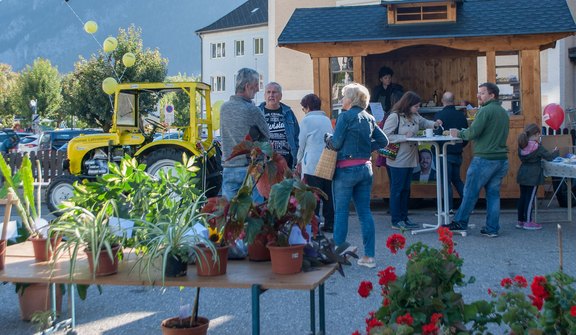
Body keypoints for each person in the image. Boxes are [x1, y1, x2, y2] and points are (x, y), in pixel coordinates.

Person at [325, 83, 388, 268]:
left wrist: (329, 139)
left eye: (344, 96)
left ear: (351, 99)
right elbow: (384, 141)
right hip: (365, 168)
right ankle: (369, 257)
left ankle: (338, 254)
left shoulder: (345, 117)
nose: (341, 99)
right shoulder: (369, 117)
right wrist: (369, 148)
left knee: (341, 213)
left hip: (345, 170)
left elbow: (336, 144)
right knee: (364, 213)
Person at [447, 82, 510, 237]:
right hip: (501, 159)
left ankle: (460, 223)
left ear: (492, 95)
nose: (478, 95)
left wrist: (458, 134)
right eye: (478, 92)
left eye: (482, 93)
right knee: (493, 195)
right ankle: (492, 229)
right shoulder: (503, 112)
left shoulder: (485, 111)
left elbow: (473, 133)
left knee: (470, 192)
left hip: (485, 158)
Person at [383, 91, 442, 230]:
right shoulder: (394, 116)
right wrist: (404, 137)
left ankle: (404, 217)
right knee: (397, 190)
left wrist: (435, 124)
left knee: (406, 189)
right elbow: (385, 136)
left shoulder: (415, 115)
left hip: (411, 158)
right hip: (398, 159)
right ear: (407, 105)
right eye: (416, 106)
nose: (418, 108)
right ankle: (396, 220)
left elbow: (424, 122)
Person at [220, 68, 270, 201]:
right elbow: (267, 138)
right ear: (247, 86)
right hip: (251, 169)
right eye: (256, 86)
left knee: (229, 216)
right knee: (255, 215)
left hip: (229, 168)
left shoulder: (224, 108)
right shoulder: (253, 110)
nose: (258, 90)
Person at [296, 94, 335, 233]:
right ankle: (330, 223)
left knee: (314, 196)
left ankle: (314, 224)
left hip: (311, 163)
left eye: (303, 108)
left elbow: (301, 144)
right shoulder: (326, 120)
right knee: (328, 195)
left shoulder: (306, 121)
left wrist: (298, 161)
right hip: (327, 161)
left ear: (307, 107)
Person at [516, 123, 558, 230]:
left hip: (522, 174)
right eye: (539, 135)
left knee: (523, 198)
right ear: (536, 134)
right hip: (533, 176)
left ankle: (520, 221)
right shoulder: (537, 147)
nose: (539, 137)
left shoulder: (521, 145)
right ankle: (528, 222)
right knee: (530, 199)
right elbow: (549, 157)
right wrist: (556, 152)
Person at [434, 91, 469, 212]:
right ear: (453, 101)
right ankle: (467, 204)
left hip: (444, 153)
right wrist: (460, 146)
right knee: (457, 179)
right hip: (458, 153)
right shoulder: (461, 116)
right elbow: (466, 135)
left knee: (446, 181)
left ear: (442, 101)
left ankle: (448, 208)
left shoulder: (439, 115)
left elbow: (436, 136)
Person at [258, 82, 300, 168]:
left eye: (274, 92)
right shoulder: (257, 113)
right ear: (264, 95)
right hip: (264, 163)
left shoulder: (288, 113)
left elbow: (296, 136)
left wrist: (297, 159)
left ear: (280, 96)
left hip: (286, 162)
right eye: (268, 92)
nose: (271, 95)